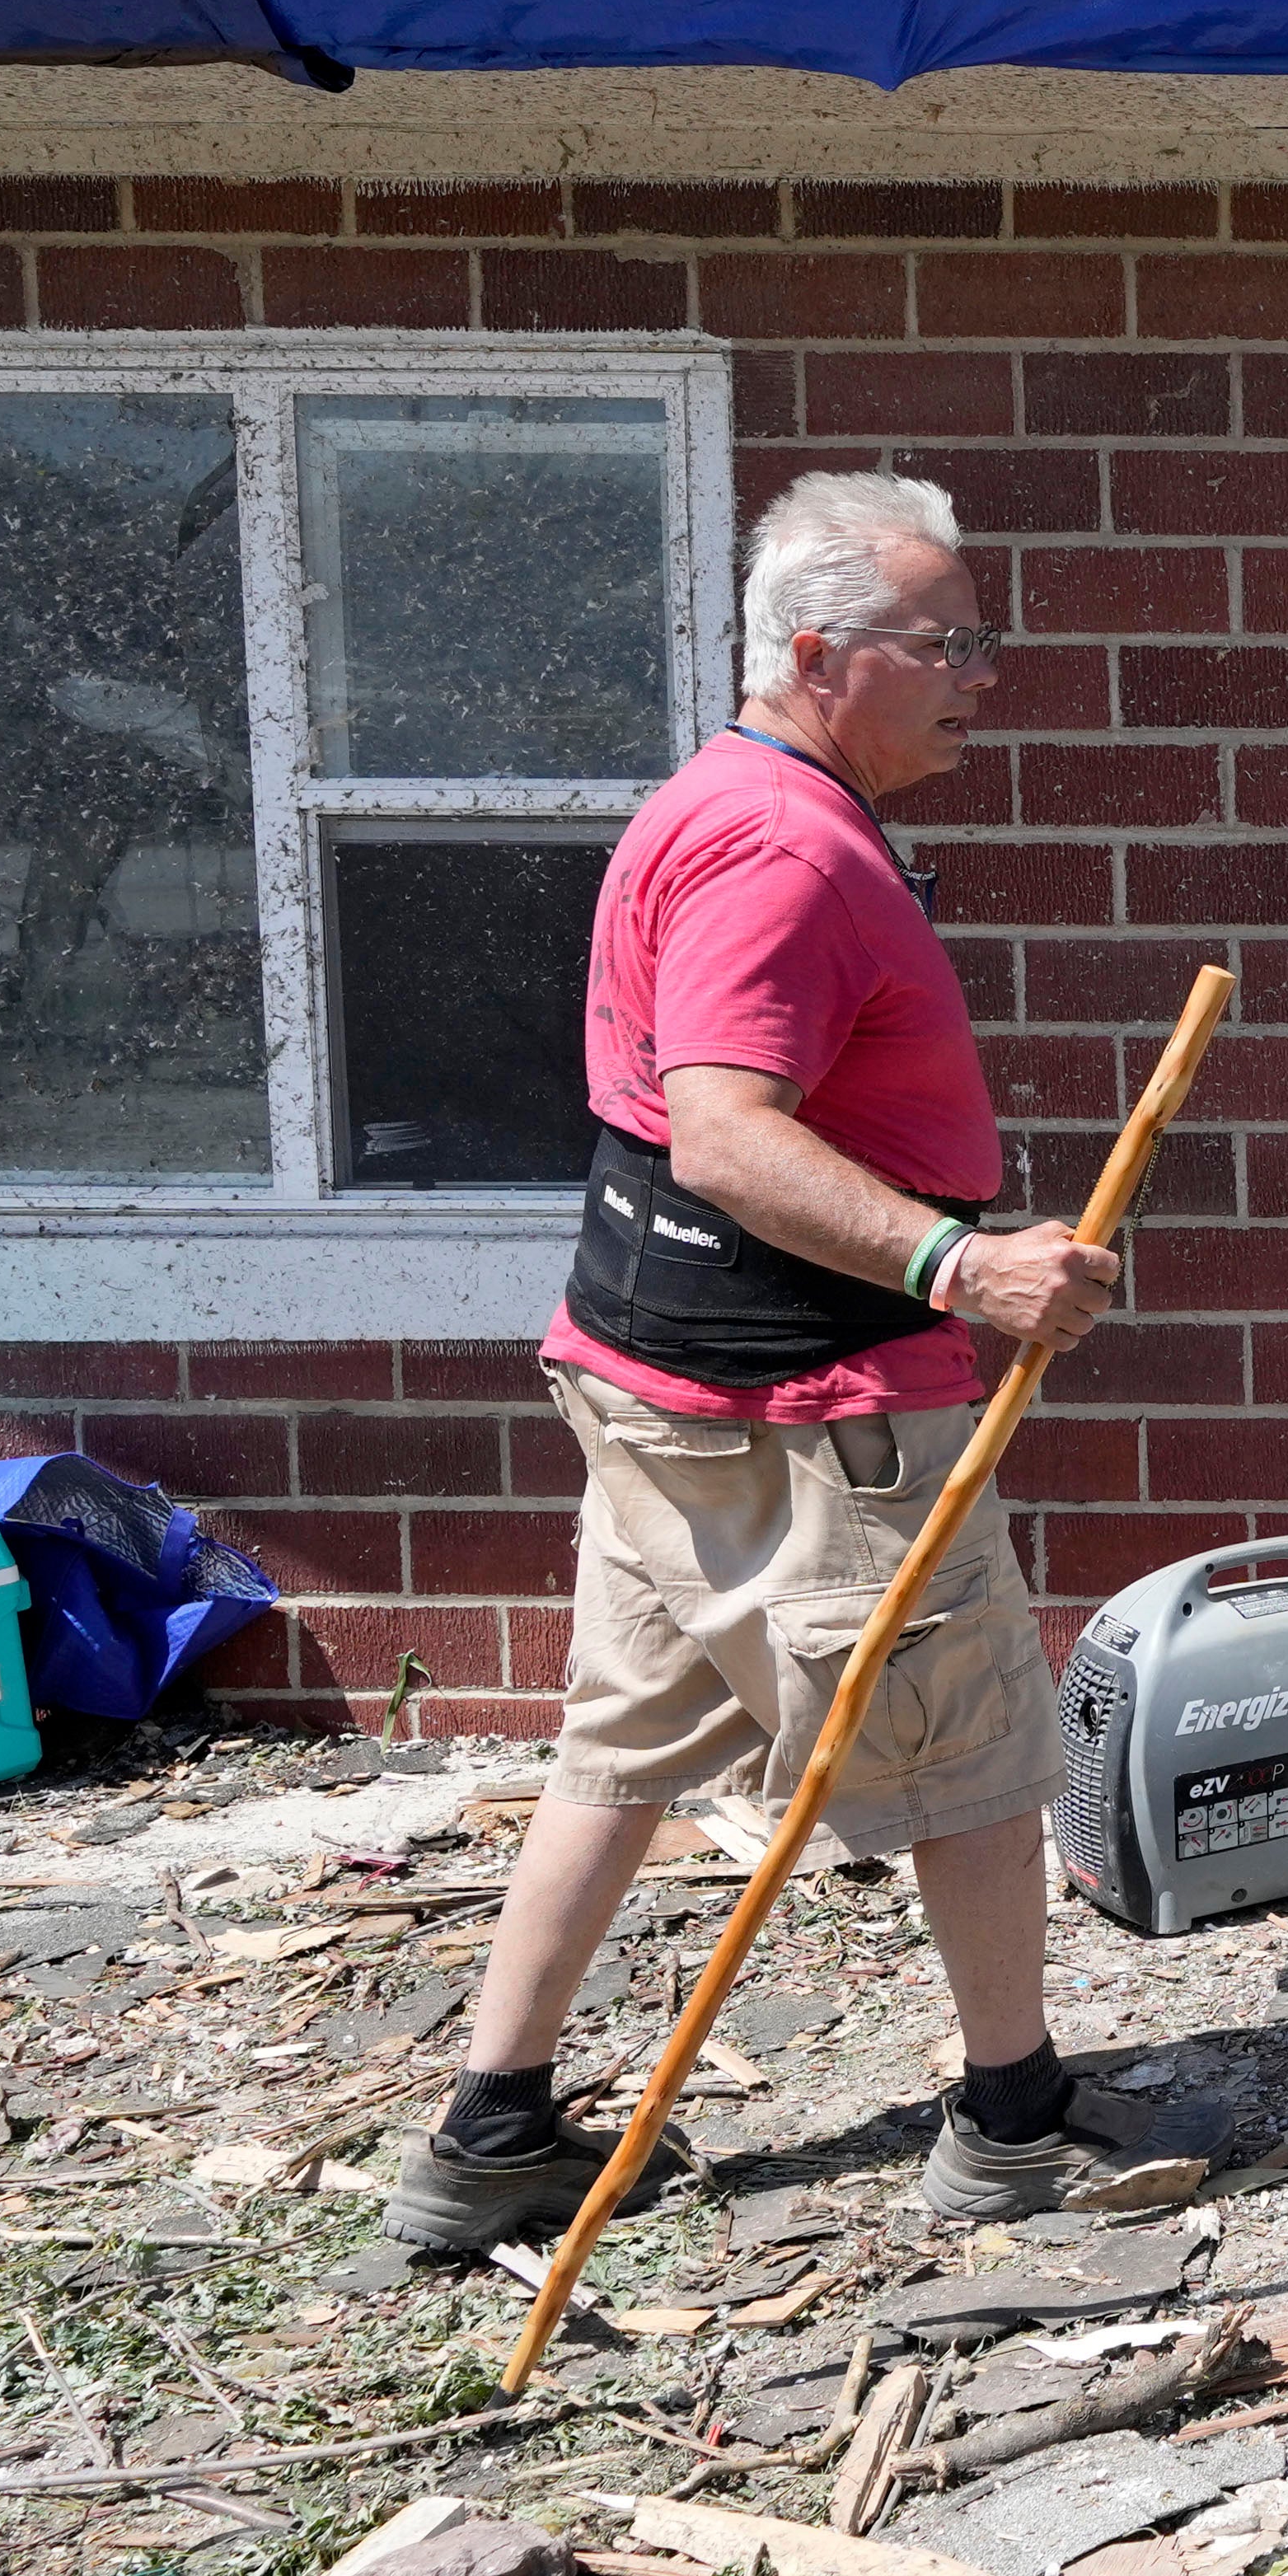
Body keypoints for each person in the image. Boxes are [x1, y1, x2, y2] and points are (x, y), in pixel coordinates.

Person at [387, 471, 1138, 2256]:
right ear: (819, 654)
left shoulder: (736, 801)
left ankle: (491, 2128)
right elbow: (721, 1133)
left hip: (669, 1387)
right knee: (969, 1753)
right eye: (946, 644)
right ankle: (1014, 2122)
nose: (984, 674)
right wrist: (965, 1260)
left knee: (624, 1743)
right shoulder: (782, 843)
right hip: (804, 1412)